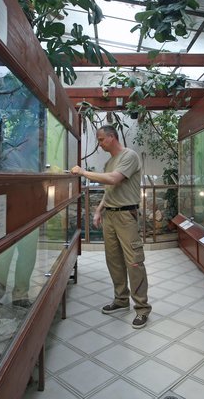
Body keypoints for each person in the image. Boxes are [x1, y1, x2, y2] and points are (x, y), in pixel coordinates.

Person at [71, 125, 152, 328]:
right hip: (111, 216)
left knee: (134, 261)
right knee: (113, 260)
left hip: (126, 216)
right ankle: (121, 299)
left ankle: (141, 308)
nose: (99, 144)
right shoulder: (109, 162)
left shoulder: (129, 156)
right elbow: (110, 190)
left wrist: (83, 172)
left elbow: (114, 179)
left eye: (100, 140)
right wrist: (99, 210)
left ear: (112, 137)